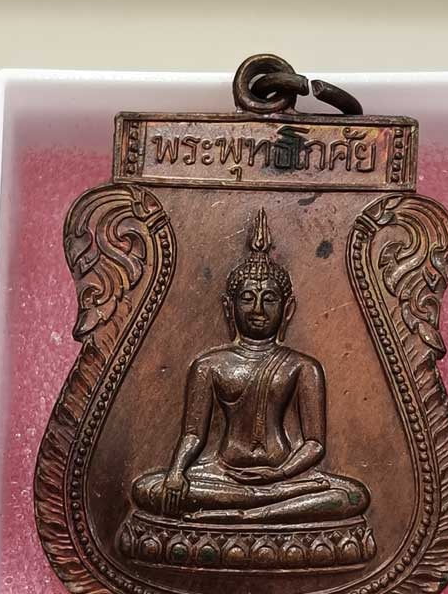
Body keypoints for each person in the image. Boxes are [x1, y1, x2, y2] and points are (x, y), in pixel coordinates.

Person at [133, 208, 370, 525]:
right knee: (147, 488)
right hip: (223, 474)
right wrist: (176, 472)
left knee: (353, 495)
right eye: (247, 298)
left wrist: (279, 474)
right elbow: (193, 434)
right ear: (229, 307)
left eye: (269, 299)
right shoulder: (209, 365)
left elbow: (314, 444)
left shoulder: (302, 367)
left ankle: (246, 513)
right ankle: (261, 506)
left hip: (285, 475)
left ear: (287, 309)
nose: (258, 309)